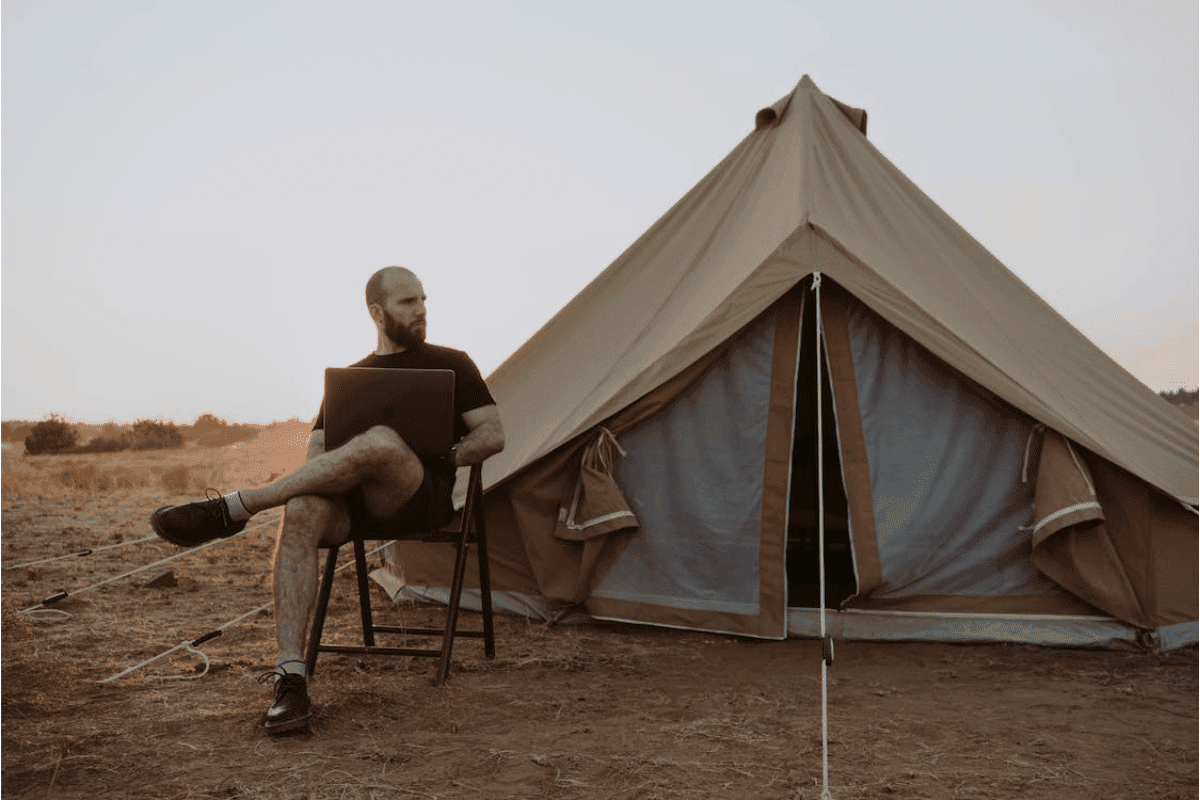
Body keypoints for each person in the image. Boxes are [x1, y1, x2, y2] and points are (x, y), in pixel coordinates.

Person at [149, 266, 504, 734]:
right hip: (354, 505)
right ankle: (290, 679)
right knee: (301, 508)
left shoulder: (452, 363)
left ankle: (239, 505)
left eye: (423, 299)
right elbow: (316, 455)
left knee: (380, 441)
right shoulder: (350, 379)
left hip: (420, 496)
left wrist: (446, 454)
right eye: (407, 302)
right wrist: (352, 462)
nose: (420, 310)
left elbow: (493, 435)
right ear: (376, 312)